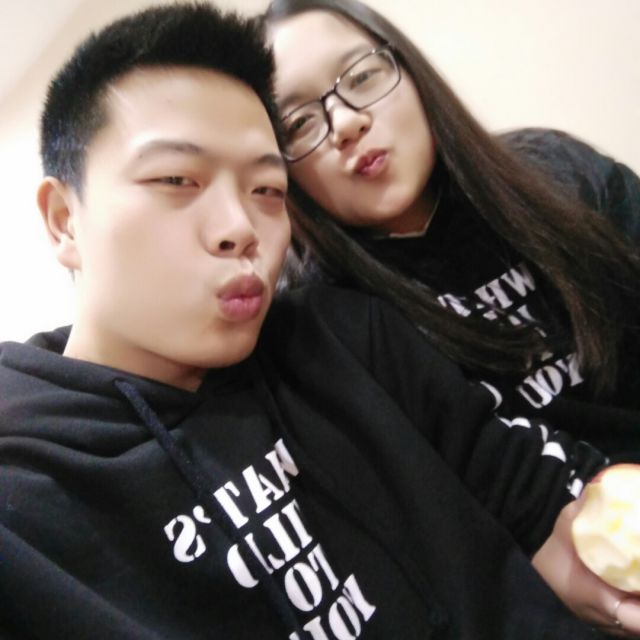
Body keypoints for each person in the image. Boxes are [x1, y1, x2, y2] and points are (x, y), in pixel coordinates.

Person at [0, 3, 638, 639]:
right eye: (176, 178)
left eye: (267, 190)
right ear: (64, 219)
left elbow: (547, 505)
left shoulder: (346, 338)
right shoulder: (25, 496)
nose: (240, 228)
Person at [263, 0, 640, 460]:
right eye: (299, 123)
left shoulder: (558, 172)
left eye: (361, 78)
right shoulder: (327, 326)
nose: (345, 123)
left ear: (412, 72)